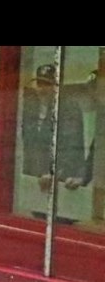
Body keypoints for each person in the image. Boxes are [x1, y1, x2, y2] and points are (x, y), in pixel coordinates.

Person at [21, 63, 87, 192]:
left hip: (60, 179)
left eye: (48, 84)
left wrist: (53, 172)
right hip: (33, 175)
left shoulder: (69, 108)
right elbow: (28, 143)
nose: (43, 88)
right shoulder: (31, 106)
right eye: (40, 83)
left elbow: (72, 145)